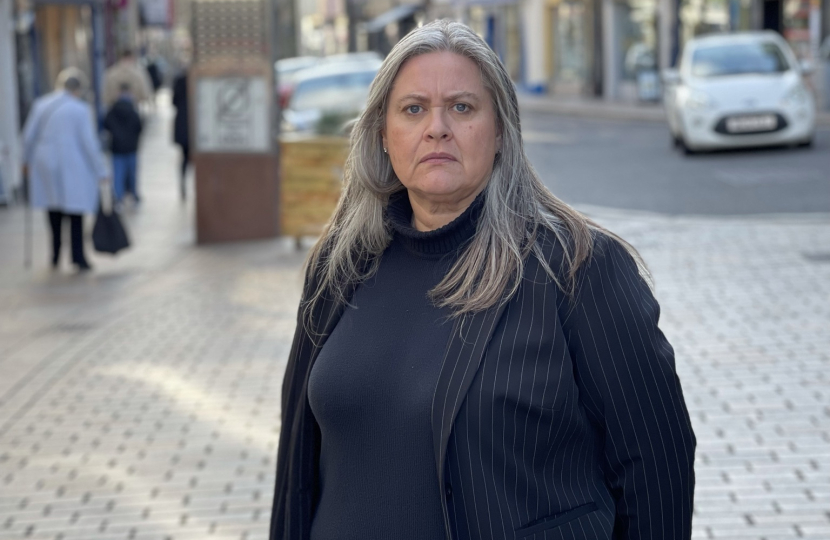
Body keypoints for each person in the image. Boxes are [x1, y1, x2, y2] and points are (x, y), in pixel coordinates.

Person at [270, 20, 696, 540]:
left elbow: (656, 467)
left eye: (463, 107)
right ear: (383, 135)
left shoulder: (579, 269)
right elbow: (296, 470)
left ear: (500, 132)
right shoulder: (339, 266)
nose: (437, 127)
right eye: (413, 109)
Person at [22, 69, 109, 271]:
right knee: (75, 211)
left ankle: (55, 254)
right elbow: (89, 143)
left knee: (53, 208)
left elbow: (28, 137)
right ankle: (78, 257)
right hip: (72, 163)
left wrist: (25, 161)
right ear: (77, 89)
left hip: (45, 162)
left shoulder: (41, 104)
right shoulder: (80, 109)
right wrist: (101, 170)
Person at [104, 82, 143, 204]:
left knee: (118, 174)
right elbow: (139, 127)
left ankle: (118, 197)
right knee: (132, 173)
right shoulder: (133, 111)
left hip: (117, 148)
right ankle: (134, 194)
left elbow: (106, 125)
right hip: (132, 147)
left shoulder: (112, 110)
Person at [172, 67, 189, 200]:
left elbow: (174, 102)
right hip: (195, 123)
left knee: (184, 157)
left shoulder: (179, 80)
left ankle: (183, 183)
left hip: (183, 123)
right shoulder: (196, 81)